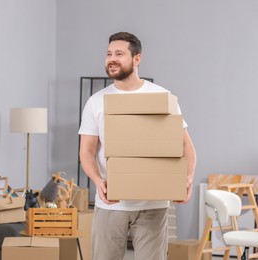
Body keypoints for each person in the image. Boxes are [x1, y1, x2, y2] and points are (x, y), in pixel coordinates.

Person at [78, 32, 196, 260]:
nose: (112, 59)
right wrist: (97, 181)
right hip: (111, 203)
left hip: (153, 204)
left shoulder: (162, 97)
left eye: (119, 54)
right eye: (109, 54)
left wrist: (188, 178)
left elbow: (186, 147)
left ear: (137, 59)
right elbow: (86, 151)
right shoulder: (96, 102)